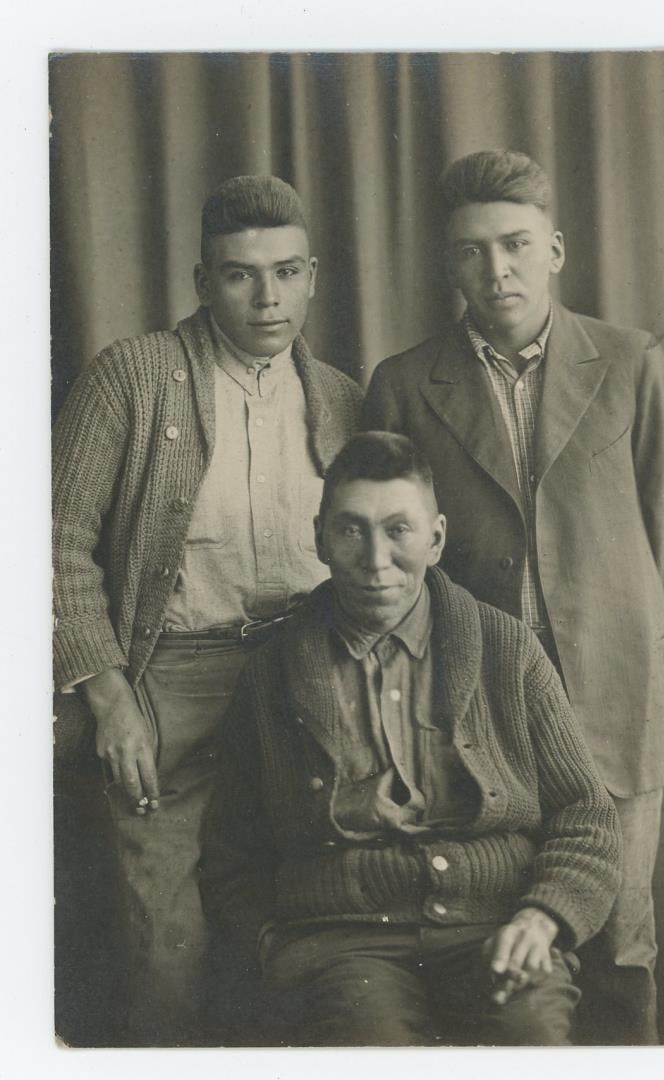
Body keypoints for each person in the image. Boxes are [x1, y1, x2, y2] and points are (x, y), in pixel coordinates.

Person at [362, 149, 664, 1044]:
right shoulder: (404, 383)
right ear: (450, 264)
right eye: (472, 251)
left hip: (616, 705)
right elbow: (395, 564)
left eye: (514, 245)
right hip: (479, 717)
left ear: (555, 248)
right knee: (502, 955)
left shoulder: (630, 363)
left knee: (621, 947)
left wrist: (607, 634)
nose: (496, 269)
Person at [52, 174, 362, 1044]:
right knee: (169, 946)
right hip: (171, 687)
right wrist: (109, 696)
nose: (268, 296)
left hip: (304, 684)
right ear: (200, 280)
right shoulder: (133, 377)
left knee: (296, 927)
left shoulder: (341, 395)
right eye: (240, 274)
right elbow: (50, 541)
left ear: (312, 276)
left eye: (287, 272)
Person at [200, 431, 621, 1047]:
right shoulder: (272, 674)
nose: (376, 561)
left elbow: (586, 815)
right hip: (343, 943)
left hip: (493, 924)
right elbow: (231, 849)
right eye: (350, 531)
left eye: (399, 530)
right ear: (319, 537)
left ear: (437, 537)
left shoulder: (507, 649)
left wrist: (541, 919)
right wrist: (272, 945)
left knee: (529, 1035)